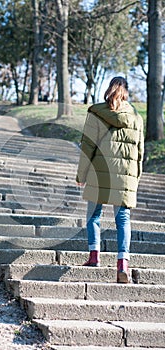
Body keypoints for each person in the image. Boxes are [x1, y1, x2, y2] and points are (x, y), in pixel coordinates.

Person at [76, 76, 144, 283]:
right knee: (123, 218)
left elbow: (87, 146)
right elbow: (140, 153)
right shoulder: (137, 118)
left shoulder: (96, 112)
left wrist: (81, 175)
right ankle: (123, 262)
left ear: (109, 90)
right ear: (126, 92)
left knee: (93, 216)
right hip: (126, 175)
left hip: (99, 171)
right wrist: (135, 179)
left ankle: (94, 256)